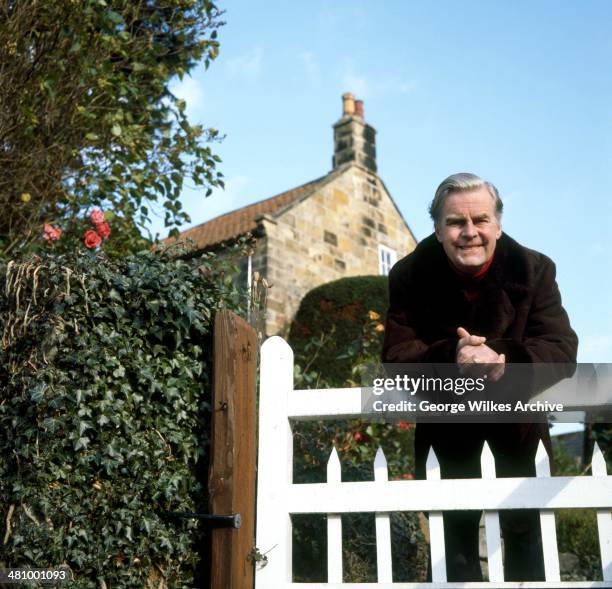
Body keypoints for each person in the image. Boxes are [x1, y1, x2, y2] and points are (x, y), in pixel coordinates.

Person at [382, 172, 578, 581]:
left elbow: (561, 349)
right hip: (446, 439)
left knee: (530, 553)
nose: (469, 232)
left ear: (498, 224)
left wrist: (503, 358)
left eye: (481, 220)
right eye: (455, 222)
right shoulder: (408, 275)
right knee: (454, 556)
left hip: (519, 434)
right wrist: (452, 357)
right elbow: (397, 358)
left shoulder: (535, 269)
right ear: (437, 229)